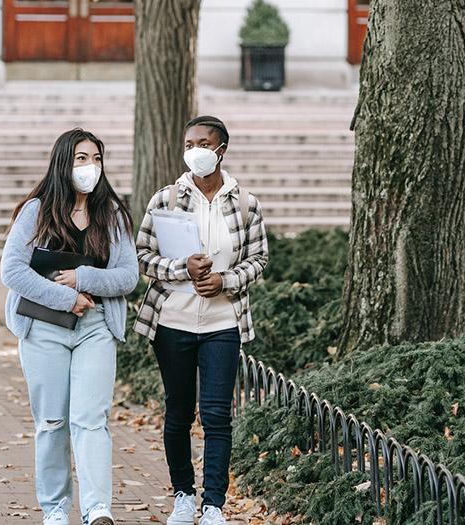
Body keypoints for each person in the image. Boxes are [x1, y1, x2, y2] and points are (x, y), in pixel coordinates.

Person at [134, 116, 268, 525]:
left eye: (203, 143)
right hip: (171, 321)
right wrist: (182, 269)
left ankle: (213, 504)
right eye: (189, 143)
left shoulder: (245, 203)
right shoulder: (165, 199)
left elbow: (259, 260)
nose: (195, 151)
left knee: (216, 415)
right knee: (178, 412)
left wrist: (225, 280)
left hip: (222, 323)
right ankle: (183, 496)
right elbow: (142, 258)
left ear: (221, 150)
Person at [1, 128, 139, 525]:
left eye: (96, 159)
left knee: (91, 419)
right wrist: (65, 298)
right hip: (44, 328)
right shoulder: (37, 211)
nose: (90, 167)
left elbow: (128, 276)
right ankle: (56, 508)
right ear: (64, 162)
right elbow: (11, 271)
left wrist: (82, 279)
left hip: (96, 327)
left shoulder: (111, 214)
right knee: (53, 421)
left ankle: (97, 508)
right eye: (81, 158)